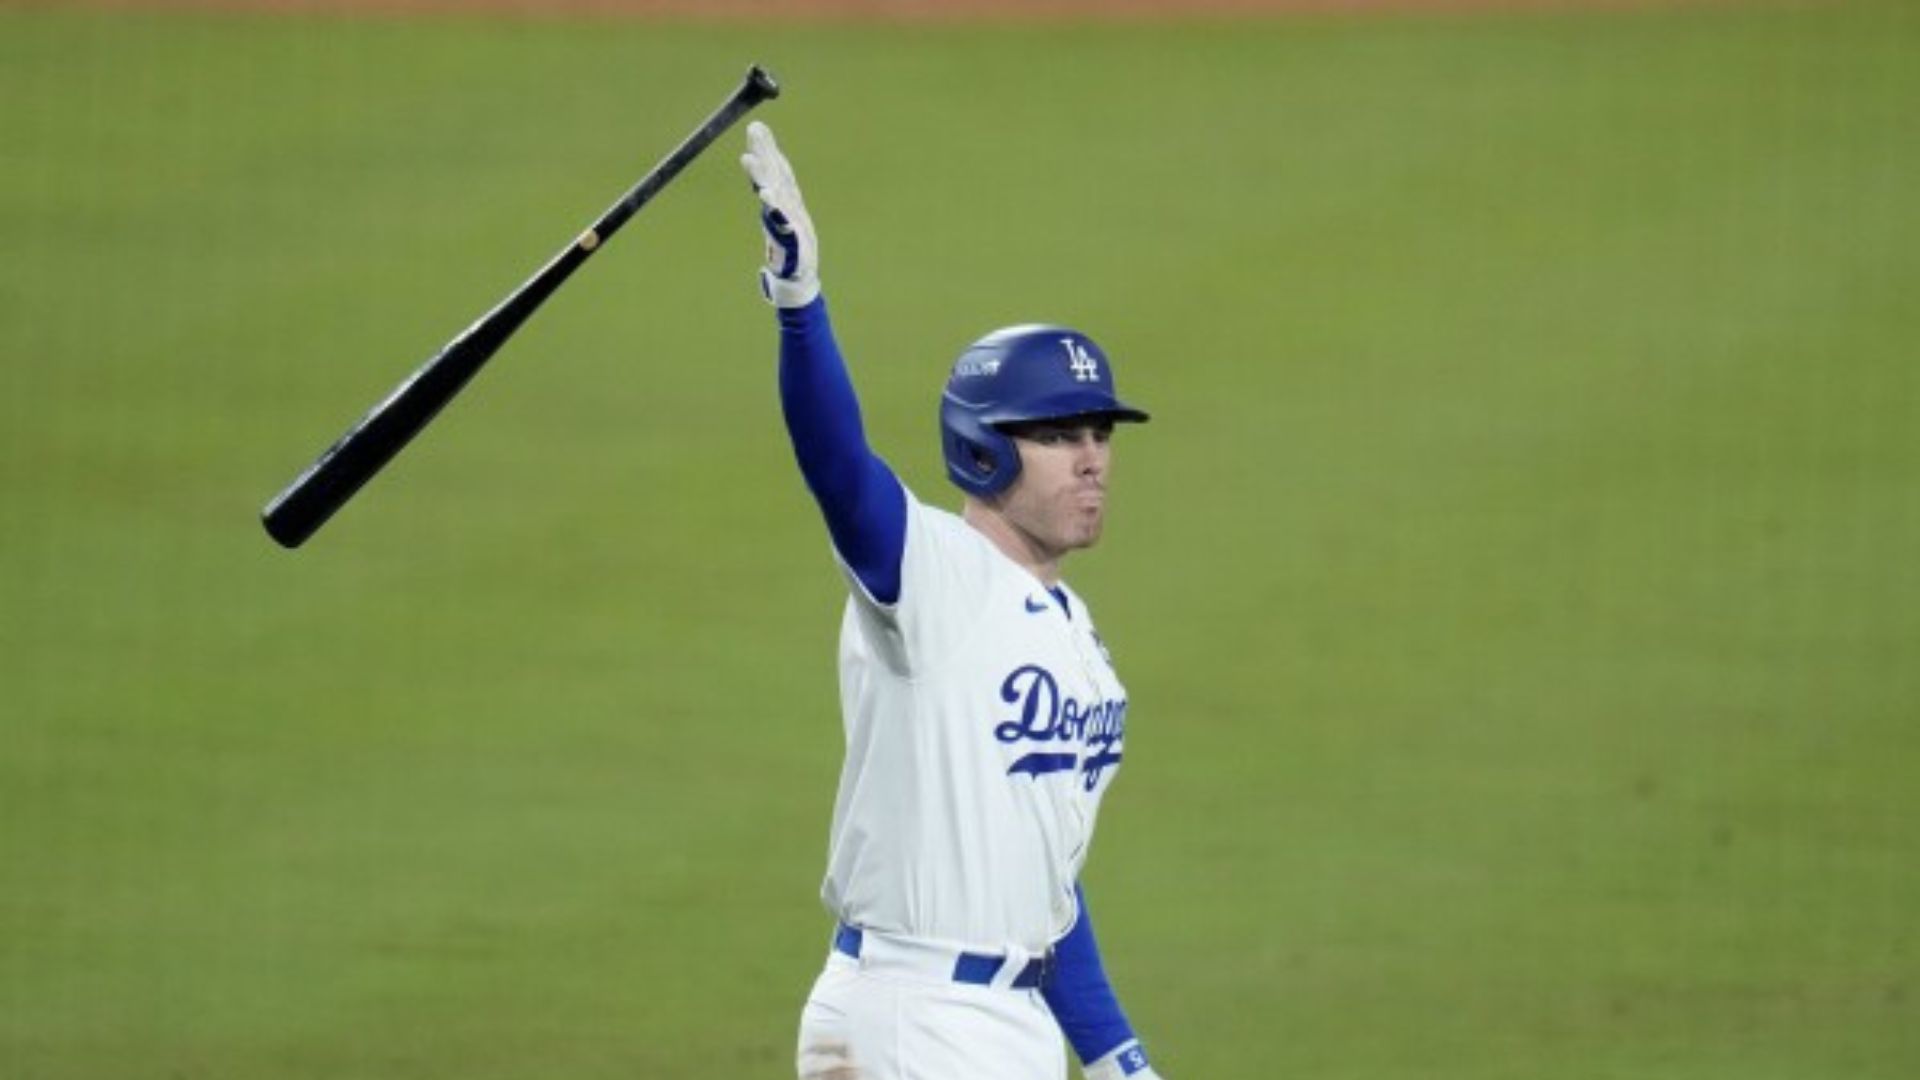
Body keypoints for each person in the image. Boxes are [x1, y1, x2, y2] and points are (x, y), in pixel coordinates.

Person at [742, 121, 1166, 1080]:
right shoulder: (931, 578)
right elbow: (841, 473)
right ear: (987, 447)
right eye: (1061, 434)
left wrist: (1113, 1055)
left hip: (1006, 1022)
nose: (1093, 455)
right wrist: (800, 306)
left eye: (1100, 431)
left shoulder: (1075, 634)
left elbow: (1044, 875)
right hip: (912, 1012)